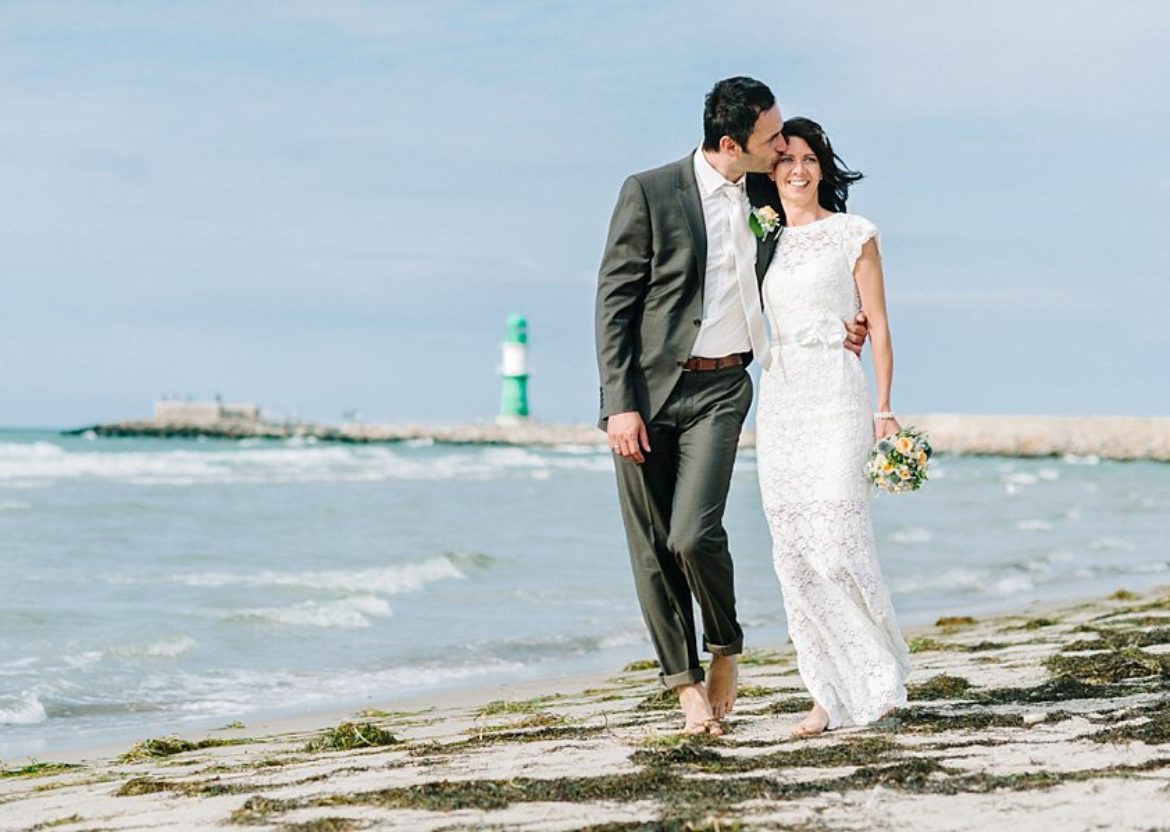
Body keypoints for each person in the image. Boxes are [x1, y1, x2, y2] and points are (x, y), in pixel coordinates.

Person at [595, 80, 869, 735]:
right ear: (729, 144)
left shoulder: (768, 196)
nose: (782, 148)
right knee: (653, 550)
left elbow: (818, 257)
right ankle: (686, 691)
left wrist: (847, 322)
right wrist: (618, 405)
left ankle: (726, 645)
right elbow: (615, 304)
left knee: (693, 533)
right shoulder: (651, 191)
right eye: (770, 138)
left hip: (723, 391)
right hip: (647, 395)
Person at [755, 116, 912, 737]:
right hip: (782, 400)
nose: (797, 170)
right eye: (785, 159)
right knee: (794, 555)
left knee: (839, 544)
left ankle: (878, 679)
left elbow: (877, 322)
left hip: (838, 398)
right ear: (769, 172)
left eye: (808, 159)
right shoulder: (757, 238)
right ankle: (824, 697)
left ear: (823, 167)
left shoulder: (854, 234)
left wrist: (885, 408)